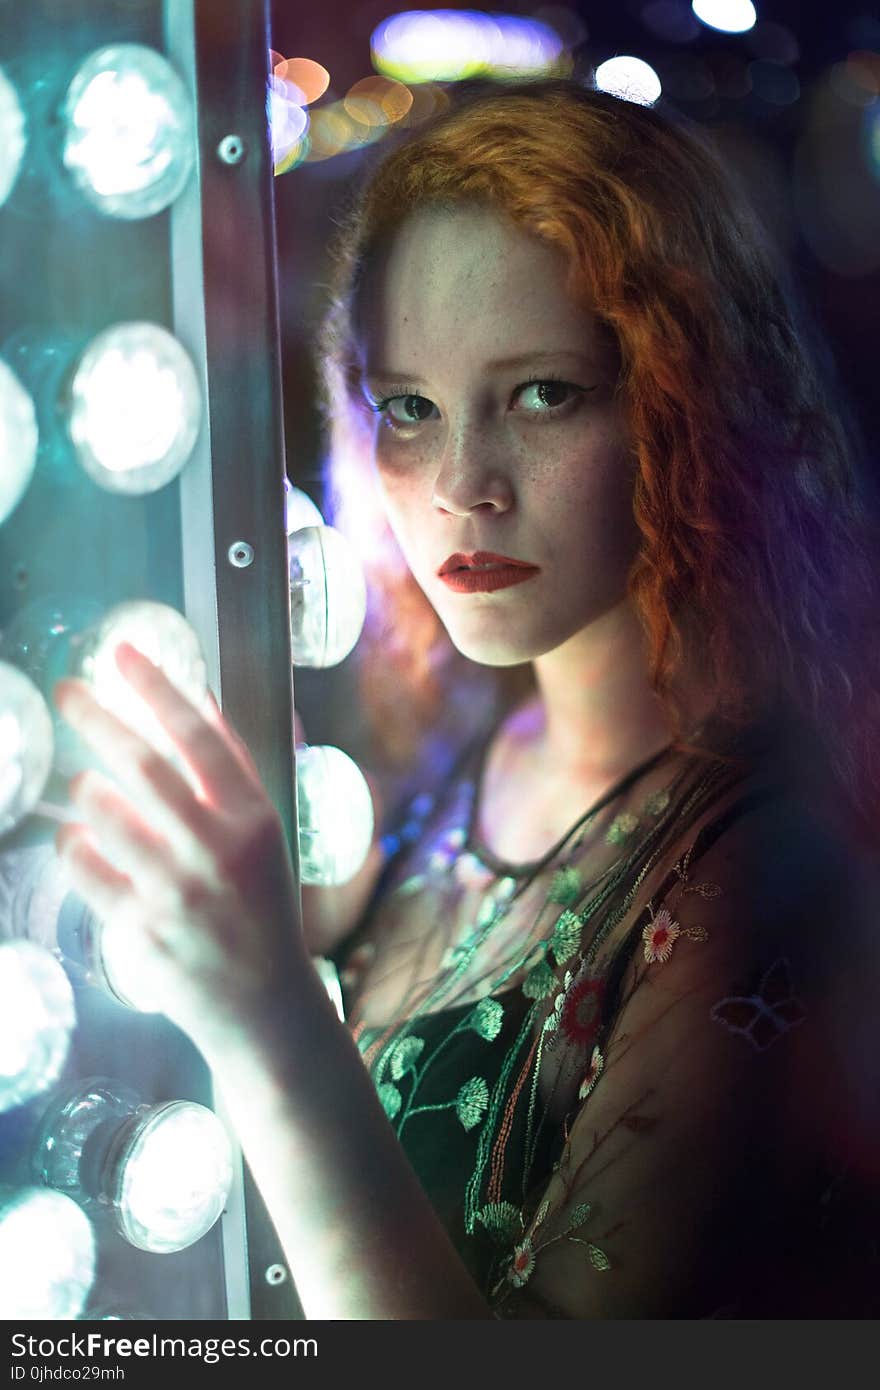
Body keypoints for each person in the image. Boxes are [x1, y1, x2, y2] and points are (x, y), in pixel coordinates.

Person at [52, 80, 880, 1318]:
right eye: (409, 409)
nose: (460, 485)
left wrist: (271, 1017)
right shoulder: (450, 752)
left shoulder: (762, 869)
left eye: (542, 391)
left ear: (682, 395)